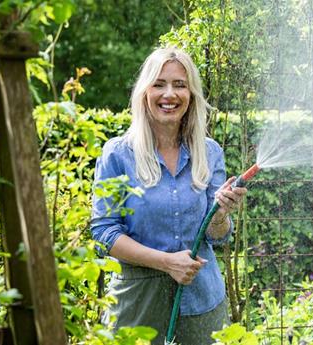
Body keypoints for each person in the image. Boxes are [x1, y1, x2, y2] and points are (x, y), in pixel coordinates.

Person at [91, 46, 247, 344]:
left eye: (179, 85)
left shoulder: (209, 152)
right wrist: (166, 262)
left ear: (191, 95)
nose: (169, 94)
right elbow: (104, 232)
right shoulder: (118, 154)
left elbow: (216, 236)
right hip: (137, 307)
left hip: (203, 304)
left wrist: (221, 214)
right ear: (144, 93)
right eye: (159, 84)